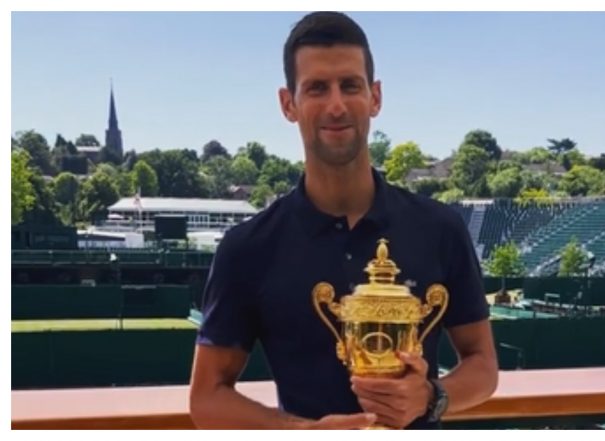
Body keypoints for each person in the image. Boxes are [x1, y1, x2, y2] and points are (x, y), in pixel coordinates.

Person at [188, 11, 498, 429]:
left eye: (350, 85)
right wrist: (303, 432)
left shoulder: (440, 228)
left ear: (375, 97)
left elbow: (483, 367)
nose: (336, 105)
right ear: (289, 104)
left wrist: (430, 396)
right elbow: (207, 397)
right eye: (316, 88)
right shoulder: (249, 246)